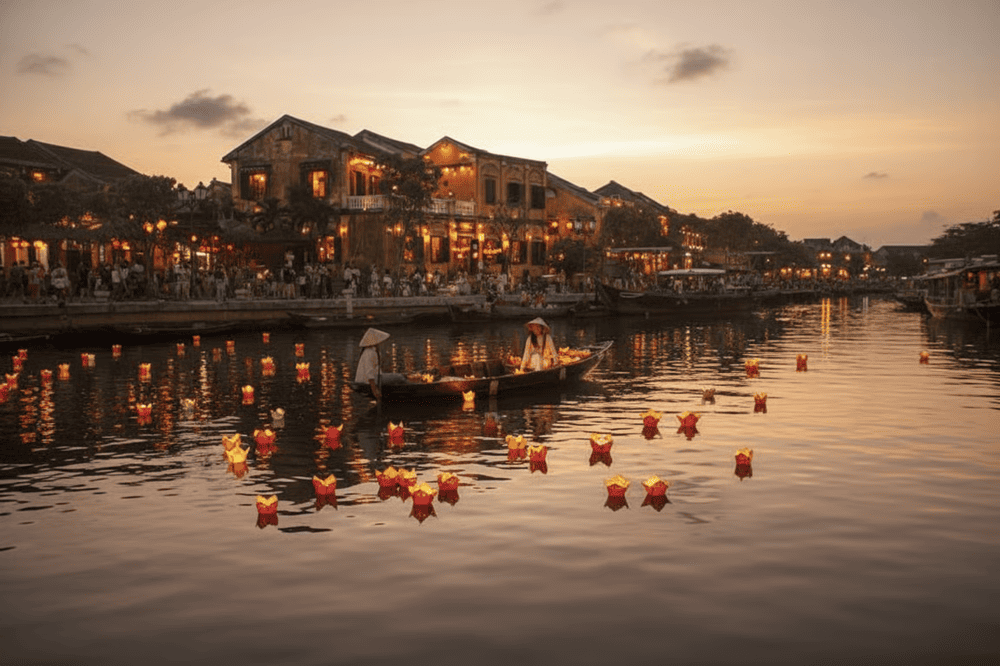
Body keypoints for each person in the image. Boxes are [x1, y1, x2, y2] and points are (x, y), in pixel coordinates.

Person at [354, 328, 407, 401]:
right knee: (400, 377)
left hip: (371, 378)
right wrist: (375, 390)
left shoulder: (369, 351)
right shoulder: (370, 352)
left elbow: (375, 368)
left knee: (400, 376)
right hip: (369, 380)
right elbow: (369, 372)